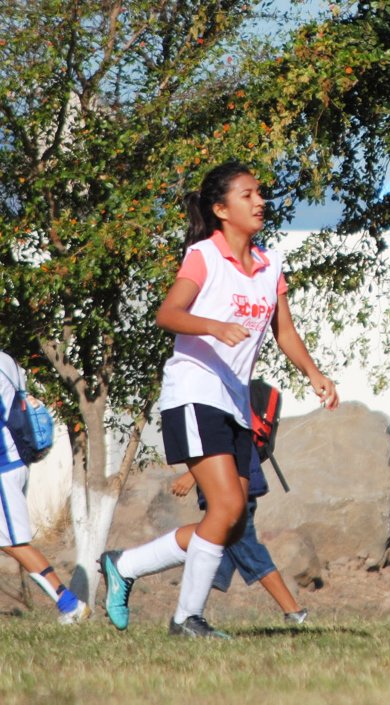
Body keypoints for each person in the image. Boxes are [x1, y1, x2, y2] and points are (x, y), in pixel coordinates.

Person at [99, 161, 338, 638]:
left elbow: (283, 330)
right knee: (227, 508)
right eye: (248, 195)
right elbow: (168, 313)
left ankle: (126, 566)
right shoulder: (203, 256)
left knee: (228, 520)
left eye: (260, 193)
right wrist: (214, 326)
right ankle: (187, 620)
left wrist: (314, 373)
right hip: (193, 390)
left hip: (234, 400)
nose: (260, 202)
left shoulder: (270, 267)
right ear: (221, 209)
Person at [170, 447, 308, 625]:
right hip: (231, 482)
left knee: (245, 546)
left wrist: (193, 474)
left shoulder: (226, 419)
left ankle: (293, 611)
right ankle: (188, 616)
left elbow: (225, 440)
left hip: (229, 485)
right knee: (217, 546)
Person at [0, 351, 89, 624]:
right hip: (16, 460)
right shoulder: (8, 360)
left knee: (13, 543)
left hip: (4, 465)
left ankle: (69, 603)